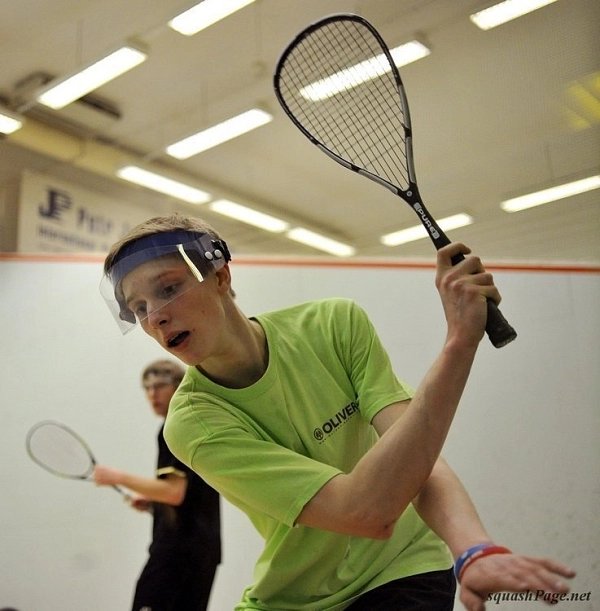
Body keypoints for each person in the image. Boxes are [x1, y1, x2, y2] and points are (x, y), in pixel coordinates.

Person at [100, 213, 575, 611]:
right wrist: (459, 344)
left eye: (167, 289)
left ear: (221, 276)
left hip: (403, 570)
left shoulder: (332, 325)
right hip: (292, 599)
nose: (154, 316)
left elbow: (416, 460)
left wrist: (472, 550)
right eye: (137, 308)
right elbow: (363, 511)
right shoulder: (193, 422)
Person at [93, 358, 221, 611]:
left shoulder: (176, 427)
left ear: (178, 386)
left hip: (177, 552)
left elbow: (174, 493)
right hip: (202, 551)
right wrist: (154, 502)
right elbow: (188, 491)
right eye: (147, 388)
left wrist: (117, 476)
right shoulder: (196, 422)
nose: (153, 394)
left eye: (160, 386)